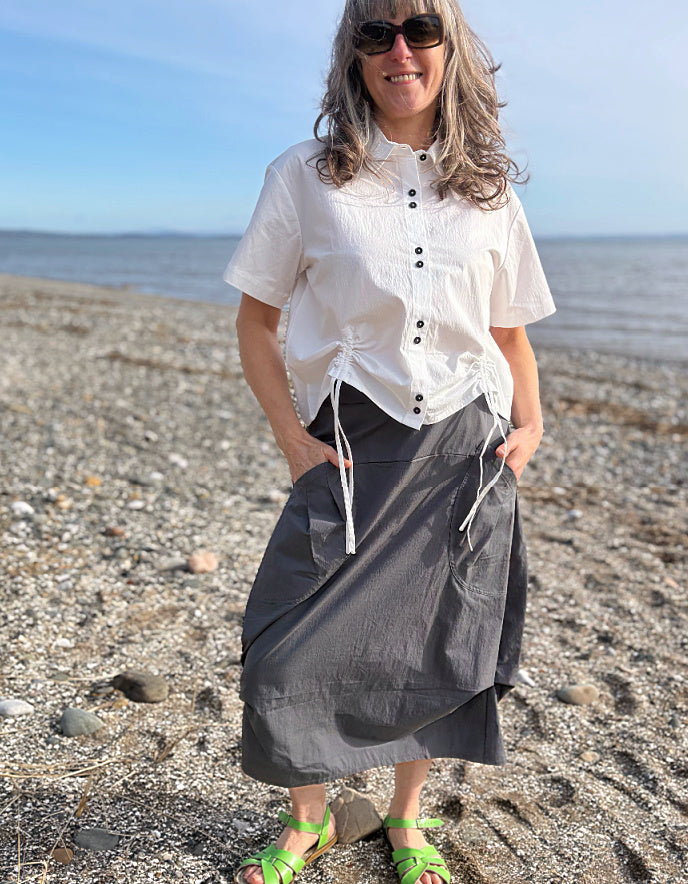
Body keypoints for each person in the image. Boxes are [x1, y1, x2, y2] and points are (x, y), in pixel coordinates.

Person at [223, 1, 556, 882]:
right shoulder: (304, 175)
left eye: (419, 28)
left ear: (452, 50)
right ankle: (309, 822)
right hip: (349, 439)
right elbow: (257, 322)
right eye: (376, 32)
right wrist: (292, 439)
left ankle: (406, 820)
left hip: (465, 448)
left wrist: (533, 421)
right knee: (286, 641)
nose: (398, 49)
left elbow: (511, 333)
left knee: (436, 638)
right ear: (354, 54)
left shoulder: (488, 188)